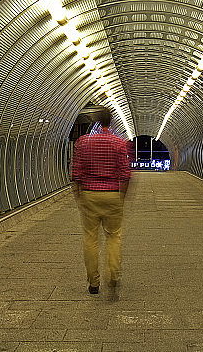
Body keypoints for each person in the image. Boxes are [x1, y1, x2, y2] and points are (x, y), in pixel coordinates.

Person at [71, 107, 132, 297]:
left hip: (90, 194)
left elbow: (76, 173)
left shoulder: (83, 142)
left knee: (90, 238)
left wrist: (78, 195)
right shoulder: (119, 143)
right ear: (111, 121)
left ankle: (94, 282)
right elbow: (125, 173)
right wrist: (122, 196)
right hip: (112, 194)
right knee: (114, 236)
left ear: (96, 122)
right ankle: (113, 273)